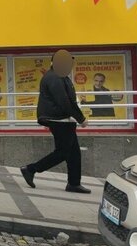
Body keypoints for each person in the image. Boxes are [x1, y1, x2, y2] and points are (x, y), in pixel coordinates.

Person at [20, 50, 91, 194]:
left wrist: (77, 117)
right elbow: (64, 101)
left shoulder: (61, 76)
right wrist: (81, 119)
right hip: (58, 119)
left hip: (64, 119)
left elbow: (69, 100)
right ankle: (31, 169)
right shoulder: (54, 77)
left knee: (74, 153)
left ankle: (74, 183)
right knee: (63, 152)